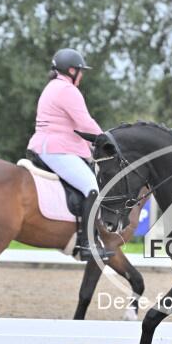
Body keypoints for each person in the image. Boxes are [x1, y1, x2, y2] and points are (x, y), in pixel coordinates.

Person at [27, 48, 114, 261]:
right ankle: (87, 244)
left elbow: (72, 126)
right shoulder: (67, 90)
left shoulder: (52, 87)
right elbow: (84, 123)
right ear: (72, 70)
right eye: (80, 71)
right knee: (92, 187)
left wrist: (91, 145)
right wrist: (106, 141)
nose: (82, 75)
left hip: (47, 146)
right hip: (56, 149)